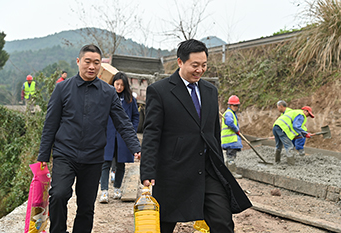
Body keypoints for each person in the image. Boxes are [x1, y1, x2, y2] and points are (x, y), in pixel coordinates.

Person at [140, 39, 251, 233]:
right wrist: (148, 171)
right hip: (173, 171)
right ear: (180, 62)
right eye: (195, 65)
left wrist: (219, 164)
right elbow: (152, 134)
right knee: (164, 225)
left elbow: (213, 133)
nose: (200, 70)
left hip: (206, 170)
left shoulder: (210, 91)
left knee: (223, 221)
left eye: (204, 65)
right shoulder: (160, 91)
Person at [37, 44, 141, 233]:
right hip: (65, 153)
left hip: (93, 157)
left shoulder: (108, 92)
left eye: (96, 63)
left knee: (86, 206)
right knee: (59, 194)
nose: (92, 66)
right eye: (87, 62)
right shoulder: (62, 88)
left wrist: (136, 146)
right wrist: (43, 156)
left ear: (101, 66)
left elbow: (123, 123)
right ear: (78, 62)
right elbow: (50, 124)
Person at [99, 72, 139, 203]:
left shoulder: (130, 99)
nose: (119, 87)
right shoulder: (107, 96)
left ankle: (117, 188)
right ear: (113, 84)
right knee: (105, 163)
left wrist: (131, 130)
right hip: (108, 134)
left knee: (121, 163)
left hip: (123, 137)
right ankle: (104, 191)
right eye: (117, 84)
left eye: (122, 85)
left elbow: (135, 116)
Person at [221, 95, 243, 179]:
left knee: (229, 156)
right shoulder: (229, 113)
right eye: (234, 105)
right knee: (231, 157)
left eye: (237, 105)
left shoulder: (231, 113)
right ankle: (232, 174)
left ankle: (227, 173)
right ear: (230, 105)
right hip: (230, 140)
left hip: (229, 140)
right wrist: (236, 129)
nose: (236, 107)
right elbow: (229, 123)